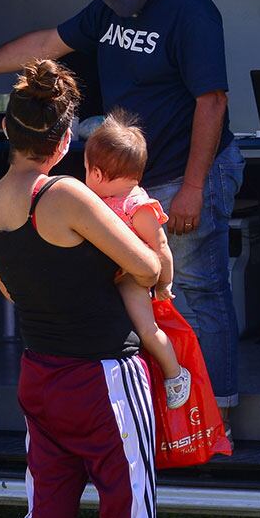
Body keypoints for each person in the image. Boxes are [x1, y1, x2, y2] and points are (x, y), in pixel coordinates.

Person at [0, 0, 247, 410]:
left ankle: (219, 414)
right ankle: (167, 414)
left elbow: (212, 101)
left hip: (185, 173)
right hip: (131, 181)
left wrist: (194, 186)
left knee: (199, 290)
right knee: (139, 294)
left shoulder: (190, 12)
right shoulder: (106, 11)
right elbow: (44, 46)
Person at [0, 59, 204, 518]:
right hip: (104, 380)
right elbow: (151, 271)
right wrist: (148, 239)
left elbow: (12, 290)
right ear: (65, 139)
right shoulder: (66, 196)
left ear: (7, 130)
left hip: (40, 377)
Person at [82, 110, 190, 411]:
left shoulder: (137, 205)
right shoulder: (98, 200)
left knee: (146, 328)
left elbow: (161, 246)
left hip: (131, 276)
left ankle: (175, 374)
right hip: (105, 274)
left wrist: (164, 283)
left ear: (97, 174)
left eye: (87, 169)